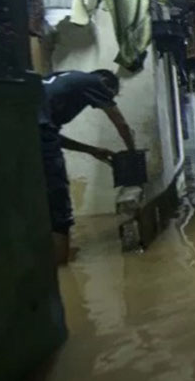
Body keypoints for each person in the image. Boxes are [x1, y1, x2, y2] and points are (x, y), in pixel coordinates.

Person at [38, 69, 136, 264]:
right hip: (38, 135)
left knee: (37, 201)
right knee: (59, 207)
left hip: (15, 129)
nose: (100, 103)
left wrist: (91, 150)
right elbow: (122, 124)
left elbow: (50, 134)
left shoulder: (59, 79)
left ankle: (49, 260)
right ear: (105, 82)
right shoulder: (95, 82)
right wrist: (132, 155)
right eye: (109, 96)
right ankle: (62, 270)